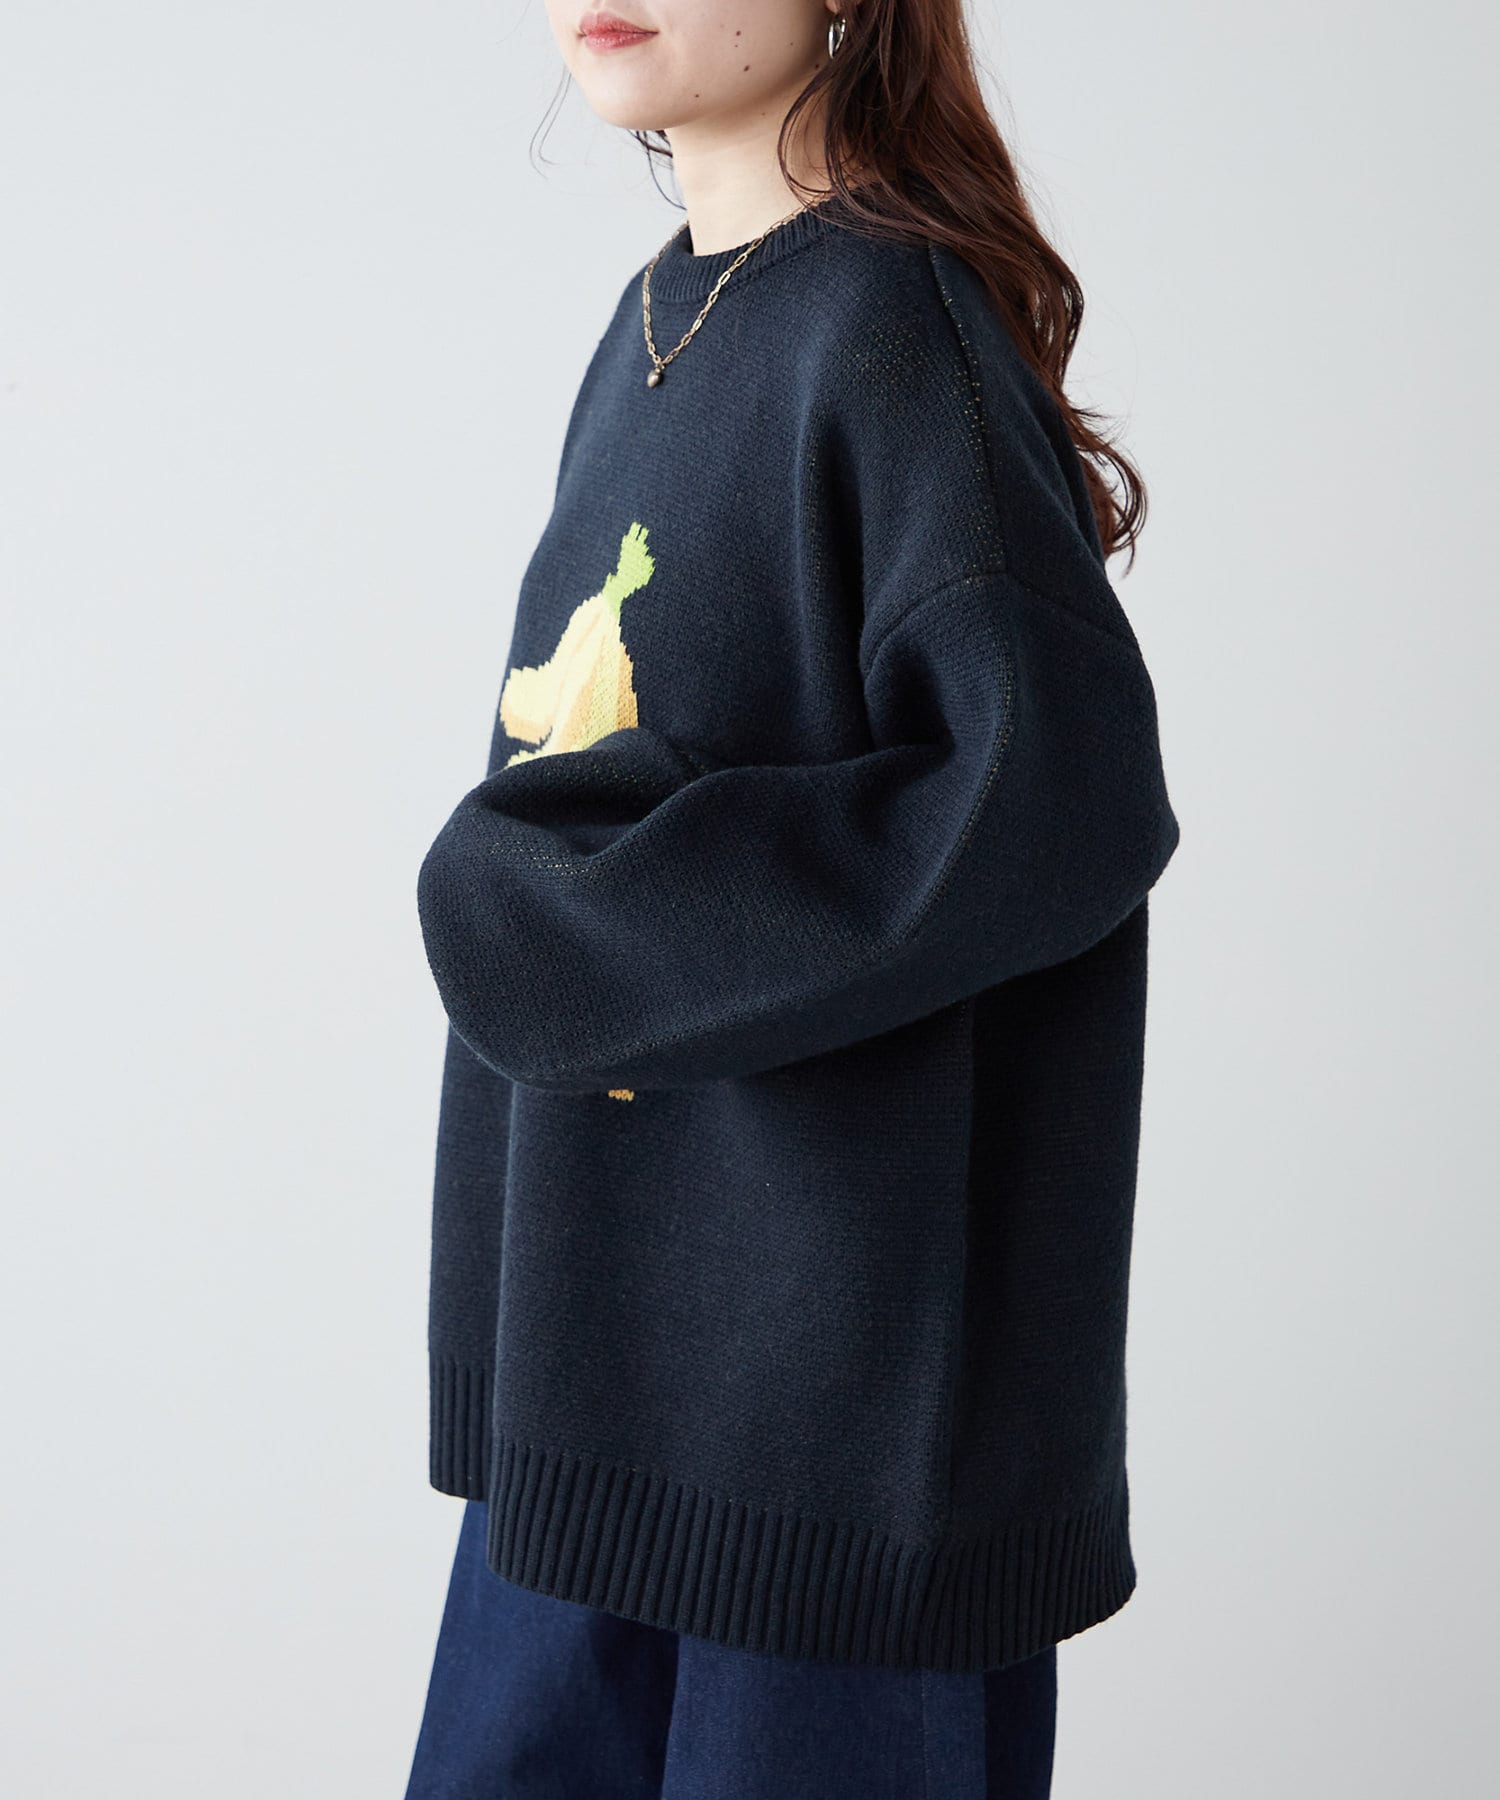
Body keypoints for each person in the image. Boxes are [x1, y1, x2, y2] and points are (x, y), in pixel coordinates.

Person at [405, 2, 1181, 1795]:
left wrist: (560, 913)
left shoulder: (893, 321)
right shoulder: (661, 315)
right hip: (591, 1374)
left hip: (826, 1442)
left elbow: (1051, 793)